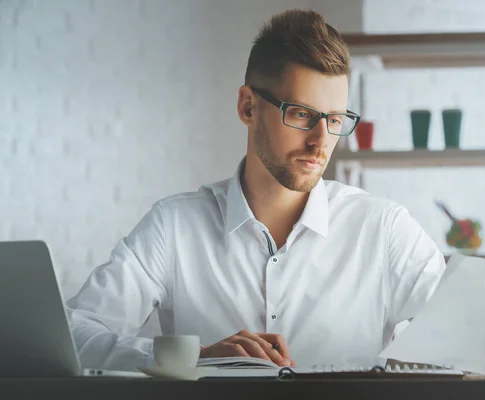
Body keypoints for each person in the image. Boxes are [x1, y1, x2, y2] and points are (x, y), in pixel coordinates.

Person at [65, 8, 446, 371]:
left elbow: (470, 336)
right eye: (301, 114)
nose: (321, 141)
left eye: (334, 119)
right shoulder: (174, 228)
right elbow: (73, 334)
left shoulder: (384, 229)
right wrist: (193, 357)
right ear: (248, 107)